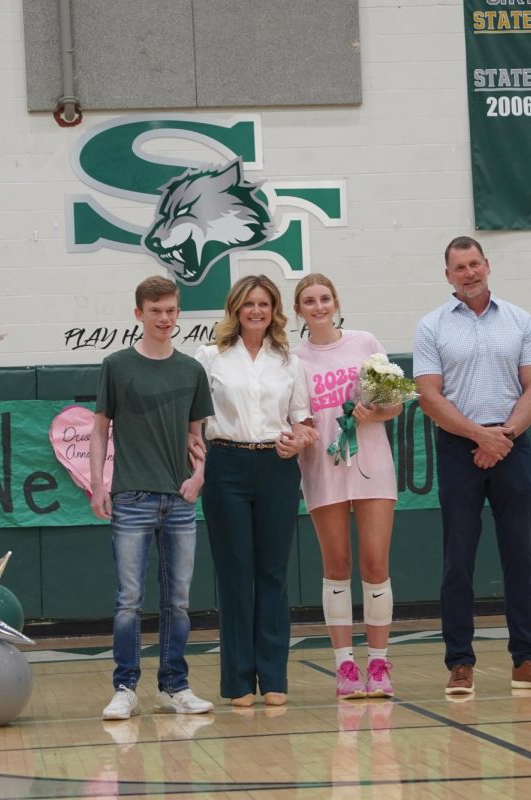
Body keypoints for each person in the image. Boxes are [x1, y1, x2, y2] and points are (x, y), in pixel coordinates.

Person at [412, 236, 531, 695]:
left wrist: (505, 437)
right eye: (460, 267)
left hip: (510, 444)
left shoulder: (520, 320)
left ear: (487, 265)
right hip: (460, 449)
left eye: (475, 263)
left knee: (520, 556)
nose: (469, 273)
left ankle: (528, 661)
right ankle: (460, 663)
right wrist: (479, 436)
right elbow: (429, 396)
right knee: (458, 559)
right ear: (448, 276)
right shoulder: (431, 326)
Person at [89, 275, 216, 721]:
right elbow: (100, 427)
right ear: (139, 314)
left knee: (177, 600)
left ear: (179, 313)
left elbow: (197, 435)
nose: (165, 319)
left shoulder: (191, 370)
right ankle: (124, 687)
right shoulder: (117, 365)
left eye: (171, 311)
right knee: (128, 599)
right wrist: (98, 484)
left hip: (180, 500)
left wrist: (199, 477)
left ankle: (173, 686)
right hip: (131, 498)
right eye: (156, 311)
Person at [196, 274, 318, 708]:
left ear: (274, 311)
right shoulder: (210, 356)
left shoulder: (289, 360)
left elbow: (304, 422)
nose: (256, 311)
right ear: (235, 309)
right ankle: (237, 682)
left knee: (273, 574)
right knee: (235, 576)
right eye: (249, 304)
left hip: (276, 466)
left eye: (264, 304)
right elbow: (195, 423)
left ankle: (274, 677)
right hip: (225, 465)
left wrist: (298, 440)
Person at [292, 274, 403, 699]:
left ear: (336, 302)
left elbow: (393, 405)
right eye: (309, 301)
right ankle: (344, 668)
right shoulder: (294, 358)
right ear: (299, 310)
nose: (318, 306)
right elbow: (298, 418)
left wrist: (370, 415)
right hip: (322, 467)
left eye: (324, 298)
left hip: (372, 466)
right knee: (336, 565)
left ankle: (378, 663)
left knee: (376, 564)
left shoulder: (365, 343)